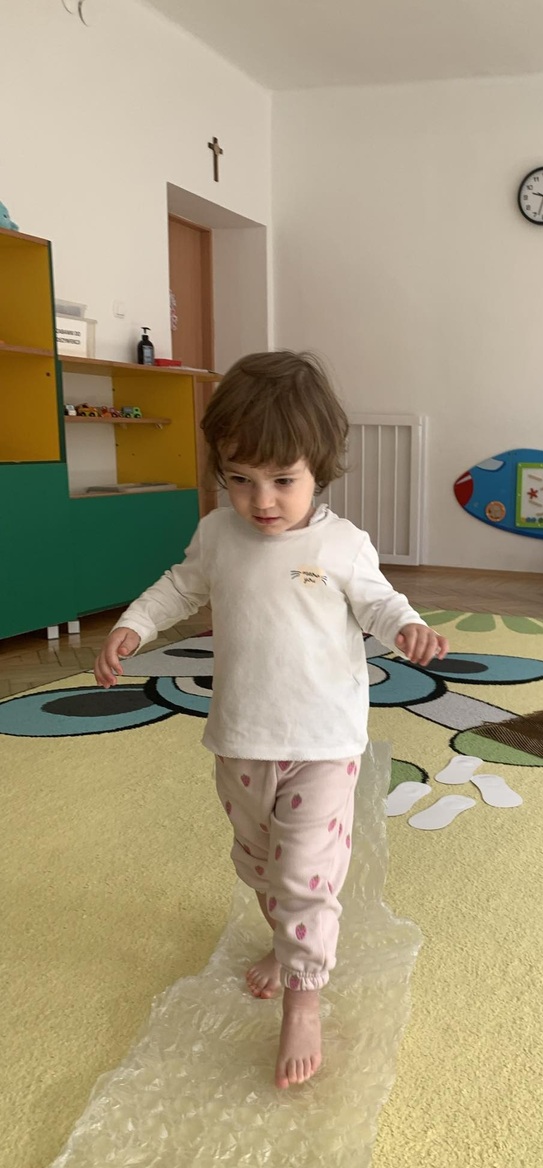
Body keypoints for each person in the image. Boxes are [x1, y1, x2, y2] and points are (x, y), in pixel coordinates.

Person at [94, 351, 448, 1091]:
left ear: (319, 467)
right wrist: (133, 626)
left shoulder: (341, 546)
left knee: (303, 871)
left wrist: (408, 628)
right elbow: (179, 587)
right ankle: (283, 943)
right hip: (241, 738)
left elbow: (380, 602)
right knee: (259, 864)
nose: (261, 501)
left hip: (322, 742)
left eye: (283, 480)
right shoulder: (218, 534)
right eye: (240, 479)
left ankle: (304, 997)